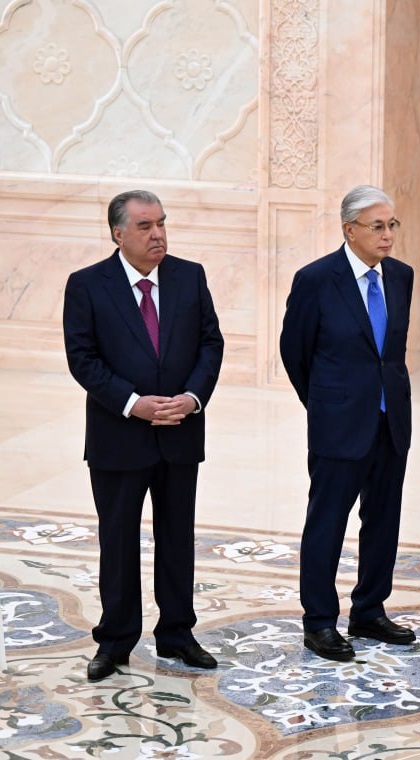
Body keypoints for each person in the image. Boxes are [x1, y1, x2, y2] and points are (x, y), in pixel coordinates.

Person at [63, 190, 225, 682]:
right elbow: (82, 358)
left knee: (177, 539)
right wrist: (133, 403)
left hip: (179, 432)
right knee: (117, 542)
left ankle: (177, 633)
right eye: (145, 226)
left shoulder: (190, 276)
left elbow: (211, 343)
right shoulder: (87, 285)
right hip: (118, 437)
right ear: (118, 234)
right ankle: (115, 641)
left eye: (161, 224)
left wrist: (192, 398)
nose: (158, 235)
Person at [280, 185, 415, 661]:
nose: (387, 234)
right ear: (349, 230)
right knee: (328, 522)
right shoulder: (316, 280)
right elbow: (294, 352)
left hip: (390, 419)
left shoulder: (401, 276)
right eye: (377, 226)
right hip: (339, 423)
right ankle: (319, 621)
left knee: (383, 520)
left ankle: (369, 611)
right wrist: (325, 403)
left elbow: (390, 352)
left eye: (392, 224)